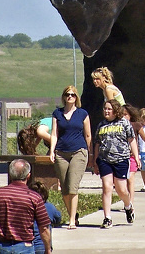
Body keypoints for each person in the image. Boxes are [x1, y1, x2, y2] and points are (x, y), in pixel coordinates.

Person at [0, 158, 52, 254]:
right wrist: (48, 249)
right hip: (25, 246)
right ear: (28, 176)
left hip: (2, 246)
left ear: (10, 174)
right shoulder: (34, 197)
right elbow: (44, 227)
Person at [49, 85, 91, 230]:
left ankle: (72, 220)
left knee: (73, 186)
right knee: (65, 188)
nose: (70, 97)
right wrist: (52, 152)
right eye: (67, 94)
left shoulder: (82, 113)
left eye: (73, 95)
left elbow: (88, 135)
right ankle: (74, 214)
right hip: (61, 152)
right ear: (64, 97)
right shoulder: (57, 113)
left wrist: (88, 152)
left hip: (78, 151)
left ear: (76, 97)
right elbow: (54, 134)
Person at [91, 99, 139, 229]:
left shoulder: (124, 123)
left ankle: (128, 206)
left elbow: (131, 140)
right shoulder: (101, 125)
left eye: (109, 109)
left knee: (121, 189)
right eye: (105, 109)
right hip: (104, 160)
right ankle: (107, 218)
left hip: (121, 160)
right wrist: (95, 161)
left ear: (115, 111)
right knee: (107, 187)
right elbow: (97, 144)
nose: (106, 111)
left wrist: (136, 156)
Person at [28, 179, 62, 253]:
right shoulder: (50, 207)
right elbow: (58, 218)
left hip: (27, 245)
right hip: (42, 246)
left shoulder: (26, 207)